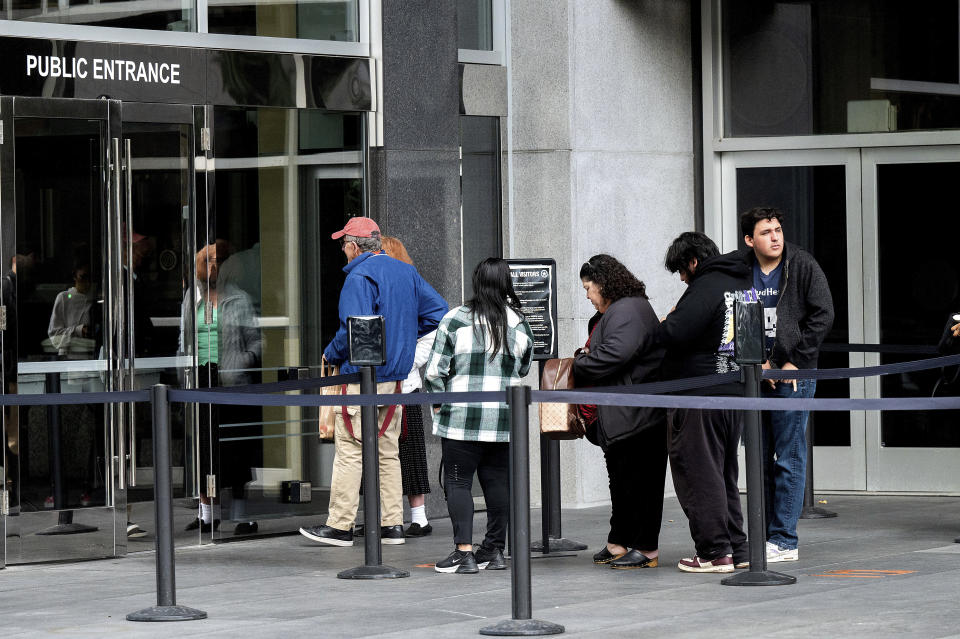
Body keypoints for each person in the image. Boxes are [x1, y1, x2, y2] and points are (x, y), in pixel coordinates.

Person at [299, 217, 447, 547]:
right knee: (387, 452)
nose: (342, 250)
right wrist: (404, 340)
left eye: (343, 244)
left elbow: (352, 330)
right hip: (396, 379)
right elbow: (439, 313)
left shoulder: (359, 276)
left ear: (354, 246)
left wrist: (331, 353)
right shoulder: (405, 271)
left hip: (363, 377)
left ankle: (339, 526)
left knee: (351, 450)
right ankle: (392, 525)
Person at [424, 258, 534, 574]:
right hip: (504, 419)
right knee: (499, 483)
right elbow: (524, 367)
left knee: (457, 481)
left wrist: (438, 404)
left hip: (460, 416)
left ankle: (463, 552)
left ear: (477, 283)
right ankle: (494, 550)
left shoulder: (455, 320)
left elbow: (434, 371)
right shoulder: (518, 323)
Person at [739, 207, 834, 563]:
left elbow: (823, 313)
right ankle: (762, 538)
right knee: (758, 457)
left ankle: (784, 540)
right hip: (755, 375)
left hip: (796, 377)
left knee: (789, 457)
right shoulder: (740, 268)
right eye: (766, 232)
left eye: (778, 229)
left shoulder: (802, 264)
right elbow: (735, 312)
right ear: (750, 240)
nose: (775, 237)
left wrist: (795, 362)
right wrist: (756, 361)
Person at [659, 231, 751, 573]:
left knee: (698, 474)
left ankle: (714, 551)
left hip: (699, 395)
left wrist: (666, 321)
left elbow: (674, 333)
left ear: (694, 261)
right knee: (724, 473)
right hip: (734, 392)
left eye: (682, 270)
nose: (682, 278)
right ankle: (737, 547)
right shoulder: (743, 283)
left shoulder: (706, 286)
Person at [573, 255, 666, 570]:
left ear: (603, 283)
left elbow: (612, 356)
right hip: (629, 412)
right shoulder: (627, 307)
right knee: (624, 481)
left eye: (588, 287)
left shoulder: (626, 310)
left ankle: (645, 548)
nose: (587, 295)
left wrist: (579, 362)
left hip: (635, 414)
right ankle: (620, 542)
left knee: (639, 484)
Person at [381, 236, 435, 537]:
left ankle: (419, 516)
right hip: (382, 382)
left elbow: (435, 328)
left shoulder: (413, 290)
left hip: (407, 384)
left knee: (410, 449)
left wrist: (408, 361)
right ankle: (387, 516)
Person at [47, 262, 94, 359]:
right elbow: (54, 335)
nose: (87, 282)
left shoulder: (94, 300)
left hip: (92, 360)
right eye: (83, 277)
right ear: (75, 277)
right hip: (70, 359)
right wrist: (78, 330)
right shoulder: (64, 298)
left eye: (89, 278)